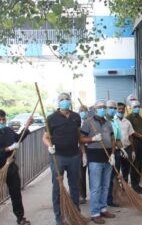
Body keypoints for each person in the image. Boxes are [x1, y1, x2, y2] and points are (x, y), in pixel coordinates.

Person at [42, 93, 82, 225]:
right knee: (58, 187)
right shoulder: (52, 118)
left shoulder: (76, 116)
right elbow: (45, 137)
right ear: (58, 103)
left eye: (67, 99)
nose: (65, 102)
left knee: (75, 186)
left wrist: (83, 151)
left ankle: (75, 213)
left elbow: (78, 135)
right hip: (58, 157)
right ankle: (59, 217)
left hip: (74, 156)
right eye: (62, 100)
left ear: (70, 101)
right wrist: (50, 146)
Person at [80, 99, 116, 224]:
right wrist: (92, 139)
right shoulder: (88, 122)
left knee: (105, 186)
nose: (102, 109)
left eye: (104, 107)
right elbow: (81, 139)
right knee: (96, 187)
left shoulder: (108, 123)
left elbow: (112, 139)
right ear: (95, 109)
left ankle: (103, 208)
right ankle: (95, 213)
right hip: (95, 159)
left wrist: (112, 154)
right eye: (100, 107)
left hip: (108, 159)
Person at [0, 109, 33, 225]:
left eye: (3, 119)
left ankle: (20, 217)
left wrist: (26, 127)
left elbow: (18, 138)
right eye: (0, 120)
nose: (2, 121)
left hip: (11, 167)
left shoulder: (8, 130)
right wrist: (7, 149)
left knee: (16, 193)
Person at [105, 100, 127, 207]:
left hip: (116, 152)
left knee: (114, 175)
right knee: (107, 177)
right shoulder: (103, 121)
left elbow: (117, 139)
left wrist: (122, 149)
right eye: (111, 108)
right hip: (106, 153)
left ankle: (113, 196)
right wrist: (111, 154)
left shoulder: (114, 122)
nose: (113, 110)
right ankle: (107, 199)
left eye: (114, 108)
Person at [126, 99, 142, 193]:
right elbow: (132, 132)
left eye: (138, 107)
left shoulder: (139, 117)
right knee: (135, 164)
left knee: (140, 163)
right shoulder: (129, 118)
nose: (137, 108)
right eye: (135, 107)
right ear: (131, 108)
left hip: (141, 142)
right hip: (134, 142)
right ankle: (134, 186)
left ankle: (138, 183)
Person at [115, 103, 135, 186]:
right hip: (116, 150)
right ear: (116, 109)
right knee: (116, 170)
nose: (121, 110)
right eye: (119, 109)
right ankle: (117, 190)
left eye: (122, 109)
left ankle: (125, 187)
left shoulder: (127, 122)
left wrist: (133, 150)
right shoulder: (112, 121)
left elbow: (131, 136)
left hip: (127, 148)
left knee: (126, 170)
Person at [78, 105, 89, 205]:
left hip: (91, 147)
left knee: (93, 172)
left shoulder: (90, 122)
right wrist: (84, 153)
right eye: (81, 111)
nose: (83, 112)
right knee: (81, 174)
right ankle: (82, 195)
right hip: (81, 149)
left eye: (84, 110)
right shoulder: (77, 123)